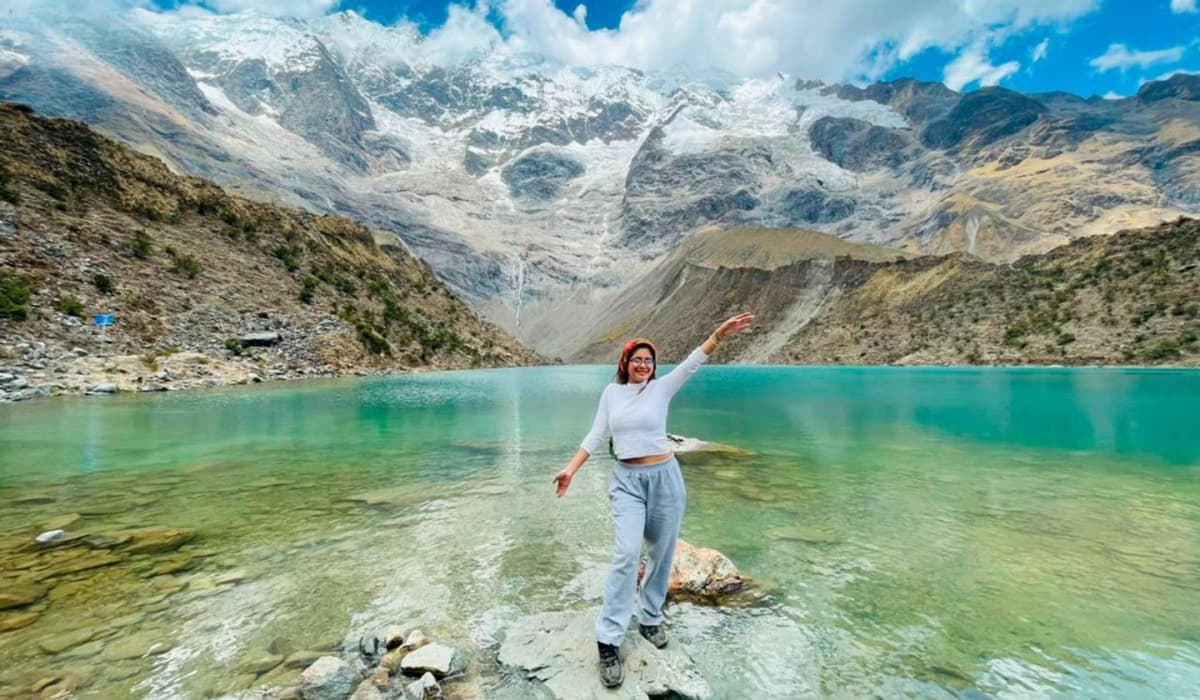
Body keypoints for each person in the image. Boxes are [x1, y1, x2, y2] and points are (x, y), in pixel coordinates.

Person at [553, 312, 754, 688]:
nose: (643, 365)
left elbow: (695, 361)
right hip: (627, 482)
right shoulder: (612, 393)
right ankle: (608, 641)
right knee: (627, 554)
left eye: (649, 360)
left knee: (662, 555)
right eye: (637, 359)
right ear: (625, 364)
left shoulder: (662, 388)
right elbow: (596, 435)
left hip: (666, 479)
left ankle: (649, 618)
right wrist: (570, 470)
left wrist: (718, 335)